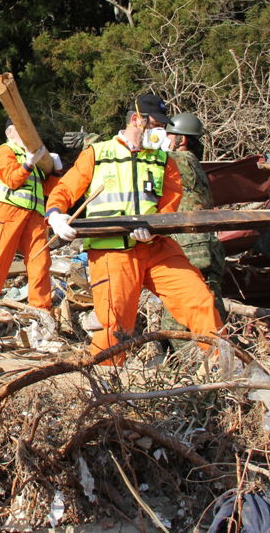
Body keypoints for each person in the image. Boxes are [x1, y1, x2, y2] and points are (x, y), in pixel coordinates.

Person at [45, 94, 223, 364]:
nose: (159, 132)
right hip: (112, 252)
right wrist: (56, 216)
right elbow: (64, 190)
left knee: (200, 301)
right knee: (116, 328)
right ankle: (105, 387)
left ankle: (225, 368)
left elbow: (169, 206)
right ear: (135, 120)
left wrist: (155, 229)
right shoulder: (98, 154)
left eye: (162, 127)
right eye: (154, 125)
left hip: (155, 247)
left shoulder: (164, 161)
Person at [0, 120, 63, 320]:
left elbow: (49, 190)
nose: (29, 136)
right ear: (10, 133)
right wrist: (28, 163)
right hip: (7, 212)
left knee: (41, 261)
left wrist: (56, 172)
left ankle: (40, 310)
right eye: (23, 131)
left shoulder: (35, 160)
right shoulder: (3, 152)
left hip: (34, 216)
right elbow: (13, 179)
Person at [162, 112, 227, 329]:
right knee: (210, 305)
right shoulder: (192, 163)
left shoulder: (182, 161)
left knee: (180, 314)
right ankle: (218, 353)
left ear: (183, 140)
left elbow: (141, 156)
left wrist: (93, 141)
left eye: (170, 135)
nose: (165, 138)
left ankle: (191, 360)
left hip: (192, 248)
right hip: (202, 247)